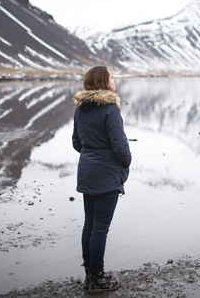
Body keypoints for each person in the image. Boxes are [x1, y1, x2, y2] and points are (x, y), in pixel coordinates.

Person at [72, 66, 131, 294]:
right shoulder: (110, 109)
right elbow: (120, 146)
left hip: (87, 171)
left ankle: (90, 274)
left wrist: (92, 154)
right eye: (112, 77)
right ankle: (97, 278)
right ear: (104, 82)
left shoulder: (81, 109)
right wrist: (125, 163)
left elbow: (77, 143)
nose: (114, 80)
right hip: (106, 174)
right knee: (100, 228)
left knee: (90, 223)